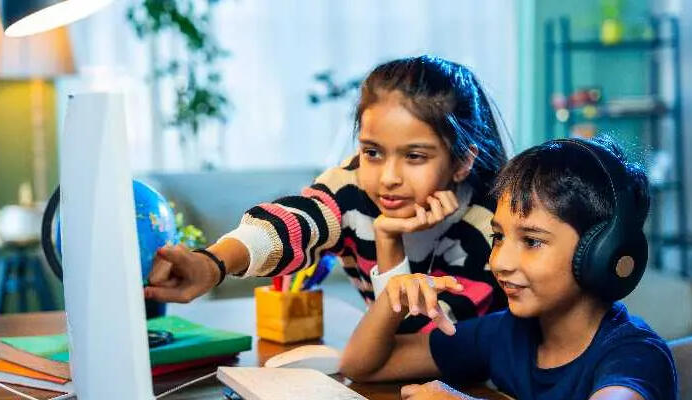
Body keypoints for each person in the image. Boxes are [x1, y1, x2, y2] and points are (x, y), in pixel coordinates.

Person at [339, 137, 679, 400]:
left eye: (532, 241)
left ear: (602, 253)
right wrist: (392, 301)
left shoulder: (636, 351)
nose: (499, 262)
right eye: (498, 237)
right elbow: (364, 366)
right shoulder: (505, 332)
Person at [144, 55, 509, 332]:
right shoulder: (353, 186)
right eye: (372, 152)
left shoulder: (488, 228)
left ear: (462, 161)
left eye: (414, 156)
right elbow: (293, 224)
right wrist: (212, 263)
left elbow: (415, 347)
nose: (388, 178)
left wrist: (388, 242)